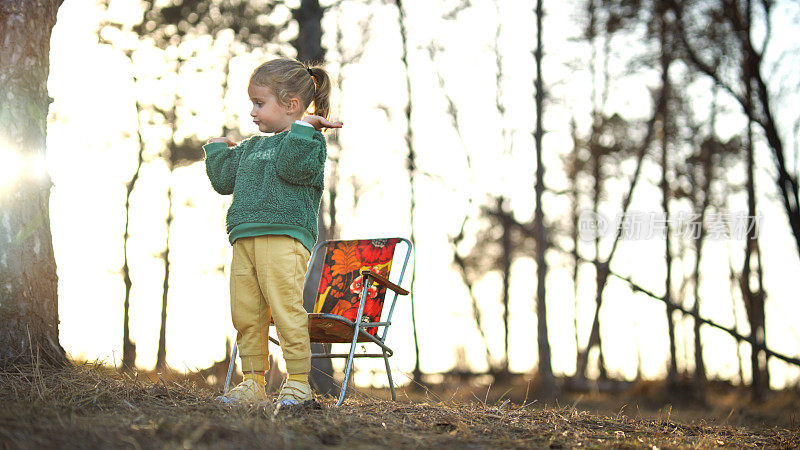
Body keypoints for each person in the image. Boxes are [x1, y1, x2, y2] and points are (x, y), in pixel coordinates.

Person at [204, 58, 342, 405]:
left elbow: (292, 169)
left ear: (291, 105)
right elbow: (223, 182)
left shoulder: (310, 142)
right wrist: (218, 149)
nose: (252, 111)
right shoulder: (250, 146)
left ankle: (297, 380)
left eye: (259, 103)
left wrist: (304, 130)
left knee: (285, 310)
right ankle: (252, 382)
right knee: (246, 312)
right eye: (252, 102)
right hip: (244, 239)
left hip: (284, 237)